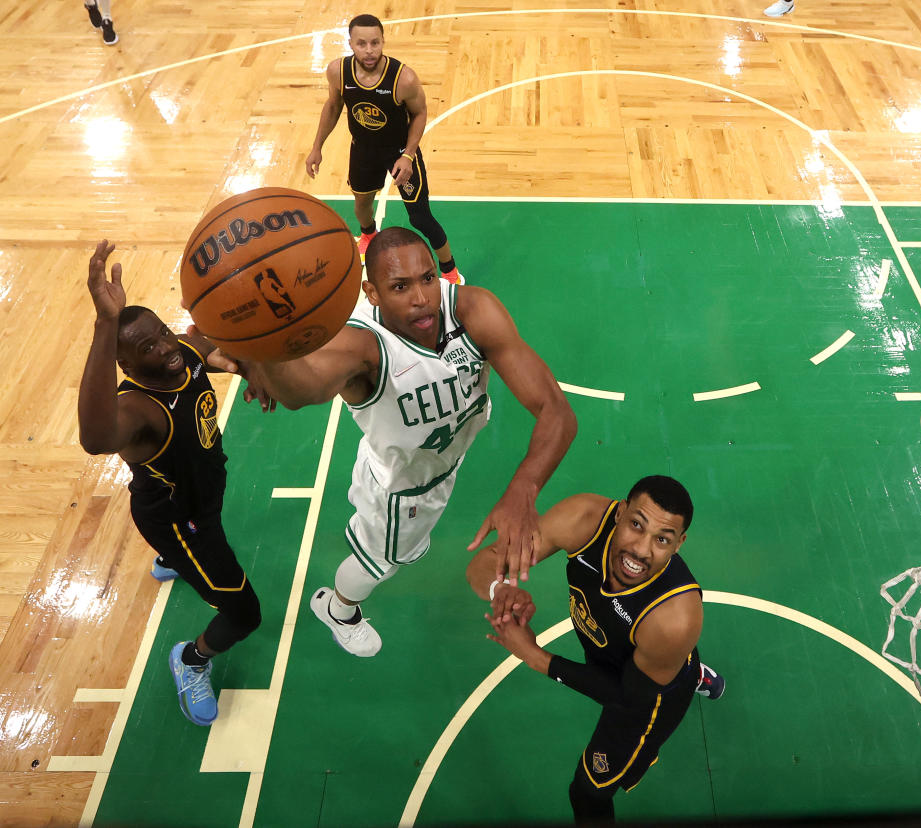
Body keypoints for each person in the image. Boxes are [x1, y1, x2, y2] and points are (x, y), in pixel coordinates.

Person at [225, 226, 577, 657]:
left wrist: (523, 490)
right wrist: (261, 349)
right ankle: (339, 608)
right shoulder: (363, 346)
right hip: (401, 489)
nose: (421, 297)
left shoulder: (473, 310)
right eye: (399, 286)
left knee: (398, 550)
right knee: (382, 564)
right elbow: (302, 392)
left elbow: (556, 410)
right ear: (372, 293)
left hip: (440, 462)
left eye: (428, 278)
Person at [467, 475, 725, 825]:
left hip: (648, 699)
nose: (641, 550)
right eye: (637, 524)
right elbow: (485, 563)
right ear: (619, 513)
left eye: (662, 539)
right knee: (656, 659)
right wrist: (501, 590)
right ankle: (687, 669)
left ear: (679, 544)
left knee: (587, 792)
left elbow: (626, 696)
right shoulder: (584, 519)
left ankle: (684, 674)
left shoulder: (675, 617)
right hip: (629, 653)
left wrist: (536, 657)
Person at [77, 240, 263, 726]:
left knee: (179, 501)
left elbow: (206, 341)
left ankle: (170, 559)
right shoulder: (137, 409)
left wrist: (247, 363)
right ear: (127, 366)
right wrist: (104, 324)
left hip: (195, 490)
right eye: (147, 348)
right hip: (181, 520)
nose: (166, 347)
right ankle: (190, 659)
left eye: (161, 332)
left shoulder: (180, 352)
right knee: (244, 615)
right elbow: (95, 439)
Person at [304, 13, 464, 284]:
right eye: (362, 44)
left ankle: (450, 271)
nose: (369, 51)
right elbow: (333, 106)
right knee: (361, 206)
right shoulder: (337, 72)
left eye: (375, 43)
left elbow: (420, 114)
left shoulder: (404, 79)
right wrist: (316, 147)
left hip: (399, 152)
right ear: (351, 43)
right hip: (363, 150)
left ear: (383, 42)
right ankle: (368, 235)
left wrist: (409, 155)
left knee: (421, 218)